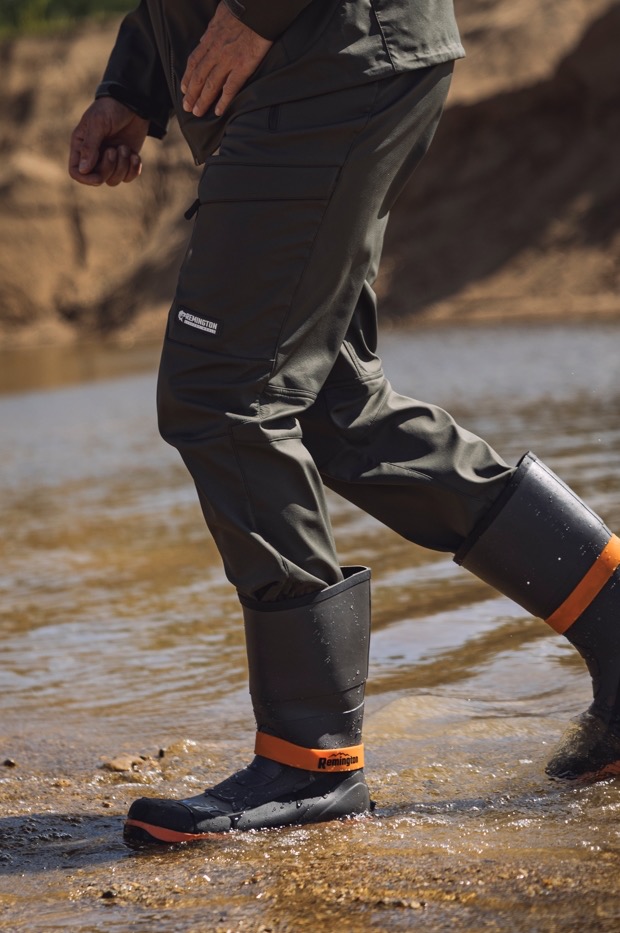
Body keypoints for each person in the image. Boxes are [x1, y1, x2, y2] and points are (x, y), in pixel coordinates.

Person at [69, 0, 620, 846]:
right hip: (318, 62)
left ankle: (310, 759)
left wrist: (258, 13)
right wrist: (133, 85)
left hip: (326, 54)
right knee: (335, 405)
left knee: (223, 392)